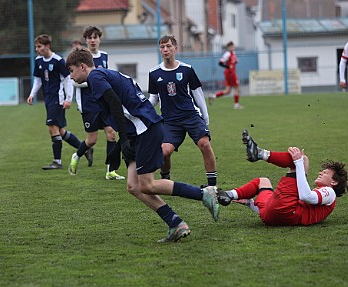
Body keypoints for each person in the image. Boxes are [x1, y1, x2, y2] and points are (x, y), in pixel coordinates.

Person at [66, 47, 220, 242]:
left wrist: (124, 139)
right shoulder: (105, 74)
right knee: (133, 186)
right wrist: (123, 139)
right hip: (137, 131)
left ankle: (204, 194)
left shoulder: (95, 76)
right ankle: (175, 223)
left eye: (71, 71)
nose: (70, 77)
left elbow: (114, 103)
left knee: (147, 184)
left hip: (144, 129)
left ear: (82, 66)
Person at [217, 130, 348, 226]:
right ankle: (229, 194)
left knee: (303, 160)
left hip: (288, 211)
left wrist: (298, 162)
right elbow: (277, 211)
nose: (320, 173)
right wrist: (250, 204)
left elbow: (305, 196)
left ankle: (260, 153)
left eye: (325, 173)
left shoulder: (330, 192)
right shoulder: (322, 196)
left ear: (334, 181)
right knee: (263, 182)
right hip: (272, 216)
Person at [148, 35, 218, 187]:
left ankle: (212, 186)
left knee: (205, 144)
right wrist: (142, 110)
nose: (165, 49)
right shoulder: (154, 73)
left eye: (168, 46)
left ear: (175, 48)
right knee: (164, 152)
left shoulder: (186, 69)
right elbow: (154, 99)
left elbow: (198, 94)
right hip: (170, 121)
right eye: (162, 47)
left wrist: (205, 118)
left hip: (191, 116)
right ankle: (166, 180)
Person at [69, 26, 124, 180]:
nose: (93, 40)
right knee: (92, 140)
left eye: (95, 37)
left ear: (100, 39)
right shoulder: (81, 57)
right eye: (89, 38)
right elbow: (74, 82)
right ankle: (76, 155)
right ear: (85, 40)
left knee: (111, 134)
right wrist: (94, 83)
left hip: (103, 102)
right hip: (89, 105)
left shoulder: (104, 56)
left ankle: (110, 170)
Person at [26, 34, 89, 170]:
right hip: (48, 99)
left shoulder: (58, 61)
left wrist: (68, 99)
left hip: (58, 99)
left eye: (39, 46)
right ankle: (84, 148)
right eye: (36, 47)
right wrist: (32, 94)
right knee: (60, 131)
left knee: (52, 128)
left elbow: (68, 80)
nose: (37, 49)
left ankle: (57, 161)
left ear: (47, 46)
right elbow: (37, 80)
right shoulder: (38, 61)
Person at [209, 41, 243, 109]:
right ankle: (236, 105)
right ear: (228, 47)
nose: (233, 47)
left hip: (230, 73)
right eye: (231, 46)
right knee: (237, 88)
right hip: (230, 73)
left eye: (233, 46)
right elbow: (220, 63)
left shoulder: (233, 53)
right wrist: (228, 67)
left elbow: (233, 61)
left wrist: (235, 61)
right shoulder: (227, 54)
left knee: (228, 91)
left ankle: (213, 96)